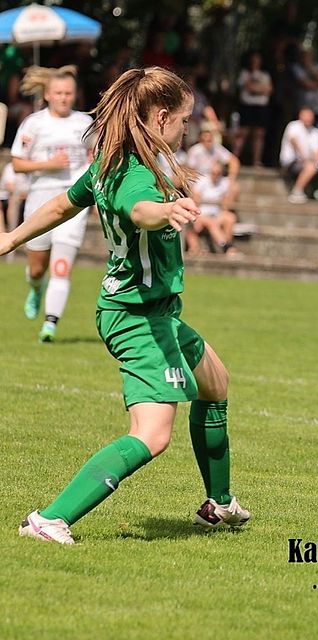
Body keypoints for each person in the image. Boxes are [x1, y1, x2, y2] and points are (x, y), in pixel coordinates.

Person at [1, 66, 250, 545]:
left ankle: (218, 506)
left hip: (152, 311)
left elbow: (61, 205)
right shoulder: (134, 174)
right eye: (182, 121)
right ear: (160, 118)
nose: (186, 130)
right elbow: (141, 209)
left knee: (215, 383)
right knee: (153, 434)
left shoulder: (111, 164)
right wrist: (166, 211)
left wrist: (13, 236)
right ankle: (49, 519)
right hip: (136, 317)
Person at [11, 66, 93, 343]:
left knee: (61, 265)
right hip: (40, 199)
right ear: (47, 94)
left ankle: (50, 324)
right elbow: (18, 163)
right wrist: (49, 164)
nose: (63, 98)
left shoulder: (84, 123)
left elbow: (95, 154)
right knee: (37, 267)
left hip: (74, 201)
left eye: (68, 93)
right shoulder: (34, 123)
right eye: (58, 93)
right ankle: (35, 287)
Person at [187, 161, 239, 257]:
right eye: (213, 173)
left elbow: (226, 203)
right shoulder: (202, 181)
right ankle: (226, 247)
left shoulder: (224, 183)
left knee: (230, 218)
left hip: (216, 214)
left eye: (218, 173)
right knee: (211, 222)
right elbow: (195, 201)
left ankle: (227, 246)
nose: (215, 175)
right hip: (201, 214)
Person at [233, 51, 272, 167]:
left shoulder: (265, 75)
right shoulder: (244, 73)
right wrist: (260, 88)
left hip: (261, 107)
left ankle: (256, 161)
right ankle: (234, 159)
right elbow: (248, 87)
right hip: (247, 106)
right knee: (243, 133)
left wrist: (256, 88)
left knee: (259, 135)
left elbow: (269, 89)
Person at [279, 107, 318, 204]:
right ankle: (297, 191)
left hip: (307, 161)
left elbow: (316, 151)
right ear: (300, 116)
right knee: (311, 167)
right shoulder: (293, 126)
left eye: (310, 116)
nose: (309, 118)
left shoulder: (316, 132)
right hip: (291, 160)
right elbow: (293, 141)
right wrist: (304, 158)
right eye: (306, 116)